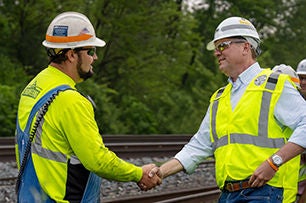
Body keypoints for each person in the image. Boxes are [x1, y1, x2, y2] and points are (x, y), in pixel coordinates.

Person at [149, 17, 306, 203]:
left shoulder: (274, 85)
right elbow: (199, 145)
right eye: (215, 48)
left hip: (263, 193)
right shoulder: (219, 97)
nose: (216, 53)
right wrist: (161, 171)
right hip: (228, 194)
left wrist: (274, 162)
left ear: (246, 47)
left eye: (223, 46)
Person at [15, 11, 161, 202]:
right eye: (90, 51)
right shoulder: (71, 101)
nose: (95, 57)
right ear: (71, 55)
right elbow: (97, 160)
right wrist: (138, 173)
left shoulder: (33, 87)